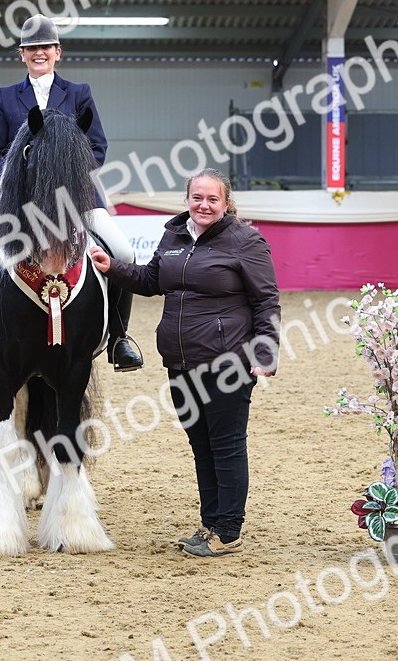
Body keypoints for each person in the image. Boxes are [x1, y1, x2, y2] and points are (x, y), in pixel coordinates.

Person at [89, 169, 280, 558]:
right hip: (179, 361)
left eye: (212, 199)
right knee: (202, 445)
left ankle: (229, 531)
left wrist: (265, 353)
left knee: (226, 445)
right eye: (197, 198)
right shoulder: (174, 236)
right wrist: (114, 267)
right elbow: (151, 281)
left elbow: (266, 301)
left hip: (227, 362)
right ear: (187, 199)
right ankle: (211, 524)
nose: (204, 205)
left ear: (226, 203)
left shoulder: (246, 240)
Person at [0, 13, 143, 372]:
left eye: (45, 47)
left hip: (74, 200)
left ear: (57, 52)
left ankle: (118, 337)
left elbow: (96, 147)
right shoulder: (5, 97)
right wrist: (14, 183)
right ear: (21, 54)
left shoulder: (79, 93)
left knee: (123, 250)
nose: (39, 53)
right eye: (31, 48)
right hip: (16, 201)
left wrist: (67, 179)